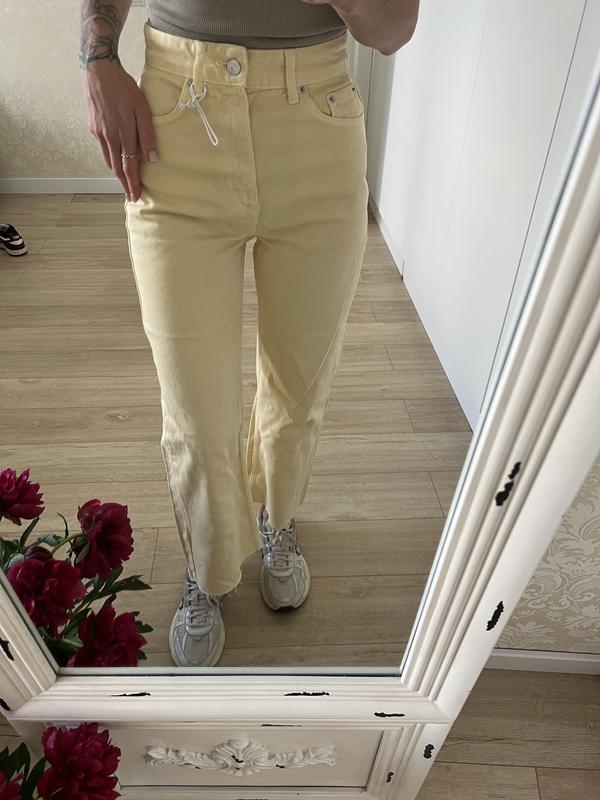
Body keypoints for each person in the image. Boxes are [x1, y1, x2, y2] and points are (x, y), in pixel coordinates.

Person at [80, 0, 419, 668]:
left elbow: (395, 29)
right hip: (176, 117)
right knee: (195, 409)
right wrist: (97, 61)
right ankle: (207, 568)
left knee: (299, 384)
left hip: (317, 123)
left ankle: (276, 516)